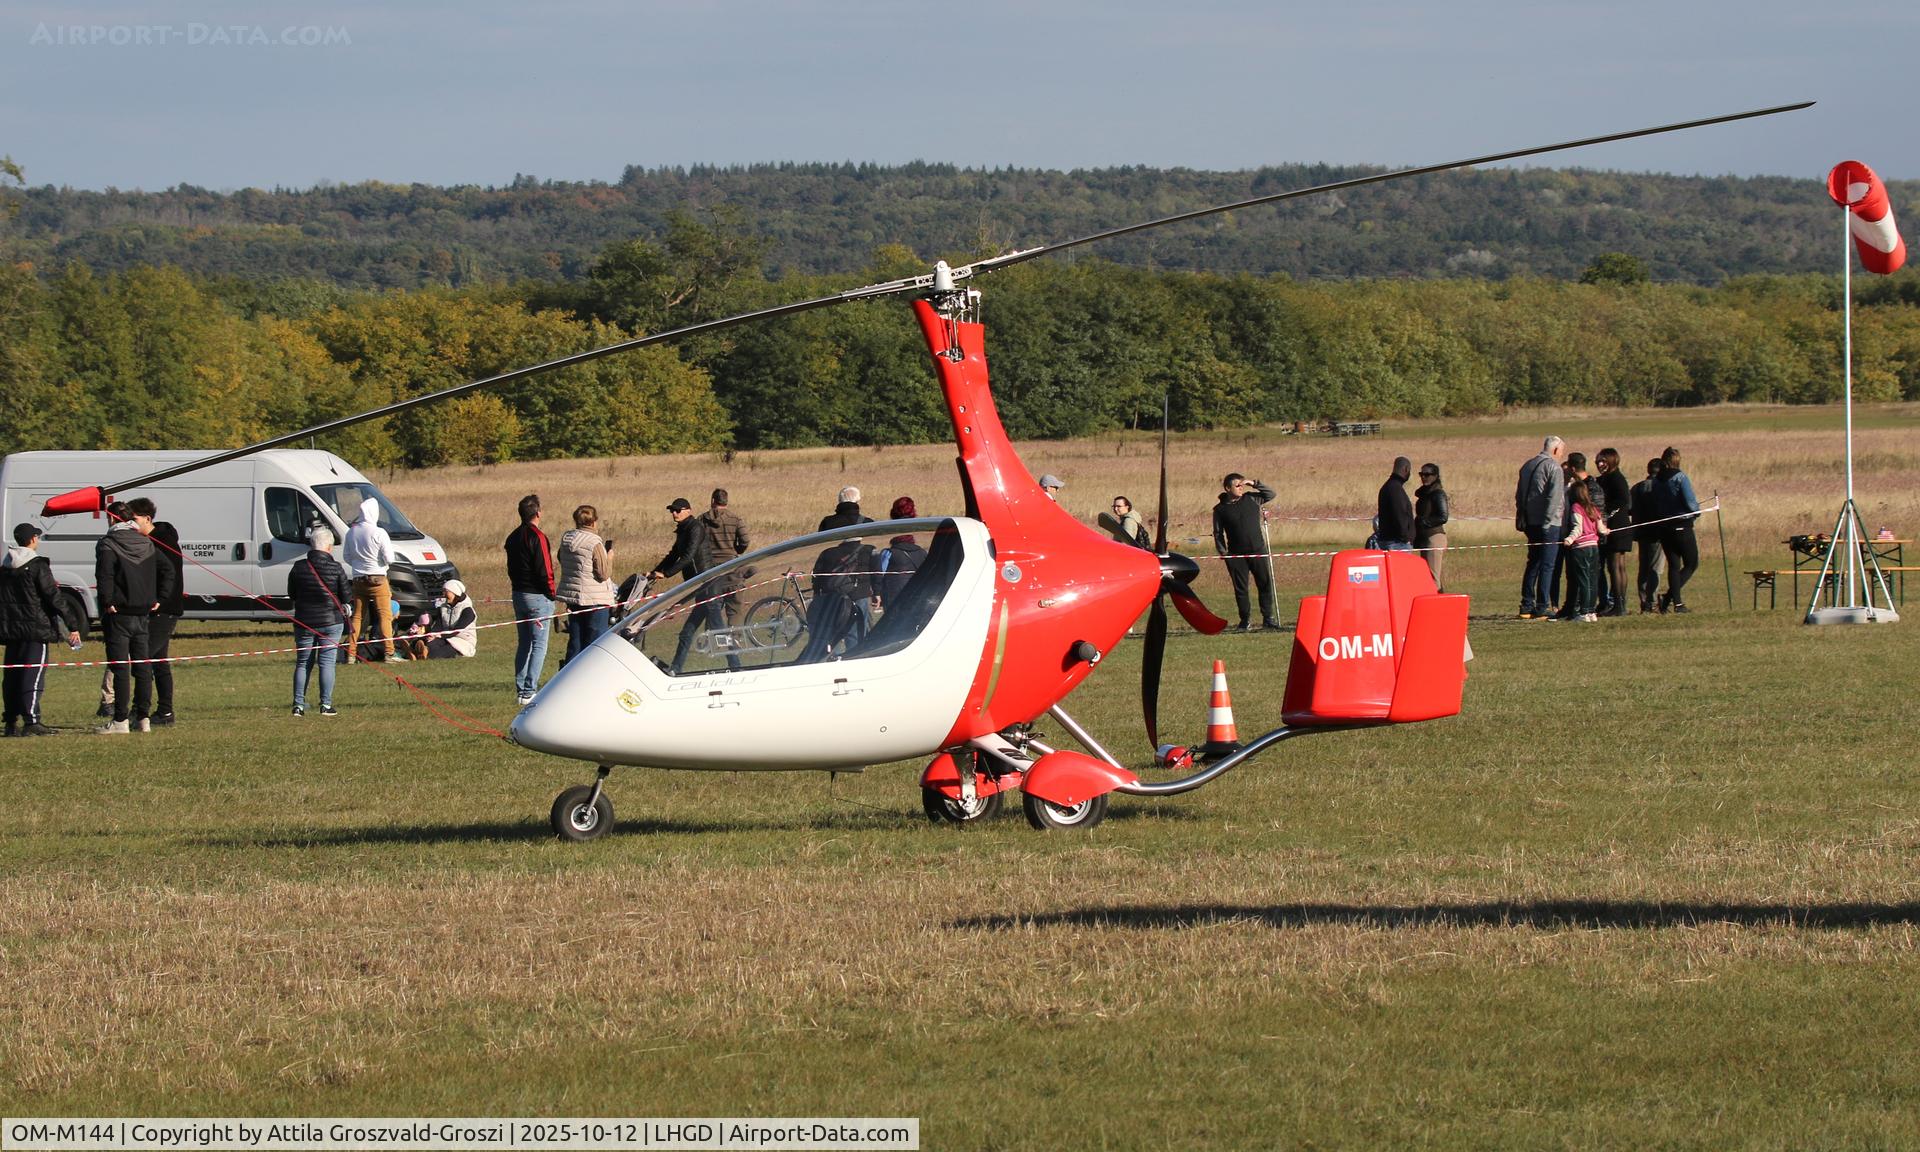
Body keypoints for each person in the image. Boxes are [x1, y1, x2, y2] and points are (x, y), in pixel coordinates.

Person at [94, 499, 174, 734]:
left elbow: (105, 575)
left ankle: (119, 720)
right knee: (142, 668)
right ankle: (143, 718)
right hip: (143, 614)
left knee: (120, 667)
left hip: (119, 614)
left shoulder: (108, 543)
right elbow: (168, 570)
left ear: (112, 519)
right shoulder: (146, 542)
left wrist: (107, 601)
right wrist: (161, 597)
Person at [2, 523, 83, 737]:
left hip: (11, 630)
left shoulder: (6, 565)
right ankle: (32, 721)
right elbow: (53, 596)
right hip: (35, 628)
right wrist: (73, 625)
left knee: (12, 675)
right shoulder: (37, 565)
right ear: (33, 539)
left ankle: (10, 720)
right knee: (33, 674)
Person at [650, 497, 725, 671]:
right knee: (687, 633)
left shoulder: (695, 528)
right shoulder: (683, 530)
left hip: (707, 583)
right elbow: (672, 555)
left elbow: (688, 556)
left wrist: (667, 574)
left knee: (719, 632)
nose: (674, 513)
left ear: (688, 511)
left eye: (678, 510)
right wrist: (654, 572)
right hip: (698, 586)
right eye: (672, 511)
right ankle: (676, 669)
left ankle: (736, 666)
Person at [288, 525, 352, 717]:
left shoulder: (298, 567)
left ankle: (298, 705)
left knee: (303, 663)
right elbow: (346, 595)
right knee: (327, 663)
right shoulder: (336, 567)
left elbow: (292, 594)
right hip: (331, 621)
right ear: (329, 547)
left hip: (304, 621)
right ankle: (326, 704)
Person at [505, 494, 556, 704]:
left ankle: (521, 690)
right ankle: (529, 690)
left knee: (524, 642)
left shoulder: (512, 537)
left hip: (518, 595)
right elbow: (545, 568)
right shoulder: (537, 537)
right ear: (537, 513)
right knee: (539, 644)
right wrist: (551, 592)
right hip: (537, 597)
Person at [1212, 472, 1278, 631]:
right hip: (1236, 555)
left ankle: (1268, 619)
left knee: (1264, 584)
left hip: (1258, 550)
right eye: (1237, 485)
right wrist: (1224, 553)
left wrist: (1253, 483)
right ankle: (1245, 621)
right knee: (1241, 589)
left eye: (1242, 485)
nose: (1241, 488)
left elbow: (1271, 494)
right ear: (1228, 488)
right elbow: (1218, 533)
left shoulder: (1252, 499)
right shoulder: (1219, 510)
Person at [555, 504, 616, 665]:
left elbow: (561, 558)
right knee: (595, 645)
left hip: (574, 598)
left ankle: (568, 678)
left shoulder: (567, 538)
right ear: (594, 522)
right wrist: (609, 557)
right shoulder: (594, 542)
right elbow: (603, 573)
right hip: (595, 599)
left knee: (575, 642)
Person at [1514, 435, 1567, 619]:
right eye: (1561, 451)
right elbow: (1554, 498)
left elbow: (1519, 494)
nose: (1561, 455)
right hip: (1548, 524)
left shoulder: (1527, 465)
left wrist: (1522, 516)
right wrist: (1547, 521)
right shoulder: (1554, 467)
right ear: (1554, 450)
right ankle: (1543, 605)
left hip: (1530, 522)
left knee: (1533, 562)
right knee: (1547, 565)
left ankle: (1526, 604)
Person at [343, 496, 395, 663]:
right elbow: (390, 558)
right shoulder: (379, 532)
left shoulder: (351, 532)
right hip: (378, 579)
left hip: (358, 580)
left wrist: (360, 565)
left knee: (357, 617)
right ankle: (389, 652)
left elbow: (347, 557)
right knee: (385, 616)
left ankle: (351, 653)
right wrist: (378, 563)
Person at [145, 513, 185, 726]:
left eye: (135, 519)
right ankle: (165, 712)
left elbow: (168, 576)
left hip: (165, 610)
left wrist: (159, 600)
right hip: (158, 610)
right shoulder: (155, 542)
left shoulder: (162, 544)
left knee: (144, 660)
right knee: (159, 662)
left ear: (147, 519)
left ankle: (140, 710)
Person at [1653, 446, 1702, 613]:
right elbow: (1690, 503)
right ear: (1676, 461)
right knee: (1691, 563)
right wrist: (1697, 511)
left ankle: (1676, 603)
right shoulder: (1680, 478)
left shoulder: (1656, 480)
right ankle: (1668, 598)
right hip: (1682, 526)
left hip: (1664, 528)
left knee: (1674, 565)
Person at [700, 488, 752, 628]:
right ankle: (734, 641)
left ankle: (715, 642)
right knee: (734, 609)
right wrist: (737, 551)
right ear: (726, 501)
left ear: (712, 501)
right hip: (732, 570)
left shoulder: (702, 519)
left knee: (713, 610)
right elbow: (745, 541)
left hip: (710, 571)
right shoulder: (735, 519)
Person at [1593, 448, 1633, 616]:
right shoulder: (1603, 479)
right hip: (1615, 524)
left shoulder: (1616, 478)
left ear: (1612, 461)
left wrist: (1606, 513)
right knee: (1618, 566)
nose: (1600, 464)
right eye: (1598, 462)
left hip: (1616, 525)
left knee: (1615, 566)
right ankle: (1619, 604)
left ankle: (1618, 604)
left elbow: (1623, 499)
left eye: (1603, 461)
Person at [1564, 478, 1609, 621]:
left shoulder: (1576, 508)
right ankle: (1591, 612)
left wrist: (1569, 539)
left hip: (1581, 548)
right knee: (1592, 580)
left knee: (1583, 580)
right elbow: (1601, 529)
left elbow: (1578, 528)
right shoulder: (1593, 508)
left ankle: (1584, 612)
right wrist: (1607, 531)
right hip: (1594, 547)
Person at [402, 580, 478, 660]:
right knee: (430, 643)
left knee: (442, 651)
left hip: (462, 641)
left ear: (455, 592)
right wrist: (432, 634)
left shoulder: (468, 610)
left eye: (446, 592)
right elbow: (439, 625)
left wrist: (439, 635)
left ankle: (419, 653)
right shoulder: (443, 607)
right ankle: (415, 651)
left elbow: (457, 630)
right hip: (446, 637)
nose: (443, 594)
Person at [1630, 457, 1666, 613]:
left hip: (1641, 533)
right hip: (1657, 534)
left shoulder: (1637, 488)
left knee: (1643, 568)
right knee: (1655, 568)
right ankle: (1652, 601)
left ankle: (1644, 601)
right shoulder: (1660, 487)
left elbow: (1629, 509)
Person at [877, 496, 926, 608]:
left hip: (893, 602)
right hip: (916, 601)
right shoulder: (922, 553)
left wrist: (876, 593)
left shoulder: (888, 554)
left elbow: (878, 576)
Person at [1413, 463, 1449, 590]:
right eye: (1421, 474)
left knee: (1434, 579)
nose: (1424, 477)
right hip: (1425, 538)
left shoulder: (1438, 493)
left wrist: (1424, 522)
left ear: (1435, 476)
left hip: (1434, 538)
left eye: (1427, 474)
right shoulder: (1425, 493)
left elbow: (1443, 517)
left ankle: (1436, 606)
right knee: (1429, 576)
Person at [1375, 457, 1416, 551]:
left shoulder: (1388, 486)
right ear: (1406, 469)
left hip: (1391, 541)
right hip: (1397, 544)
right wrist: (1406, 538)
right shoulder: (1395, 489)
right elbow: (1400, 515)